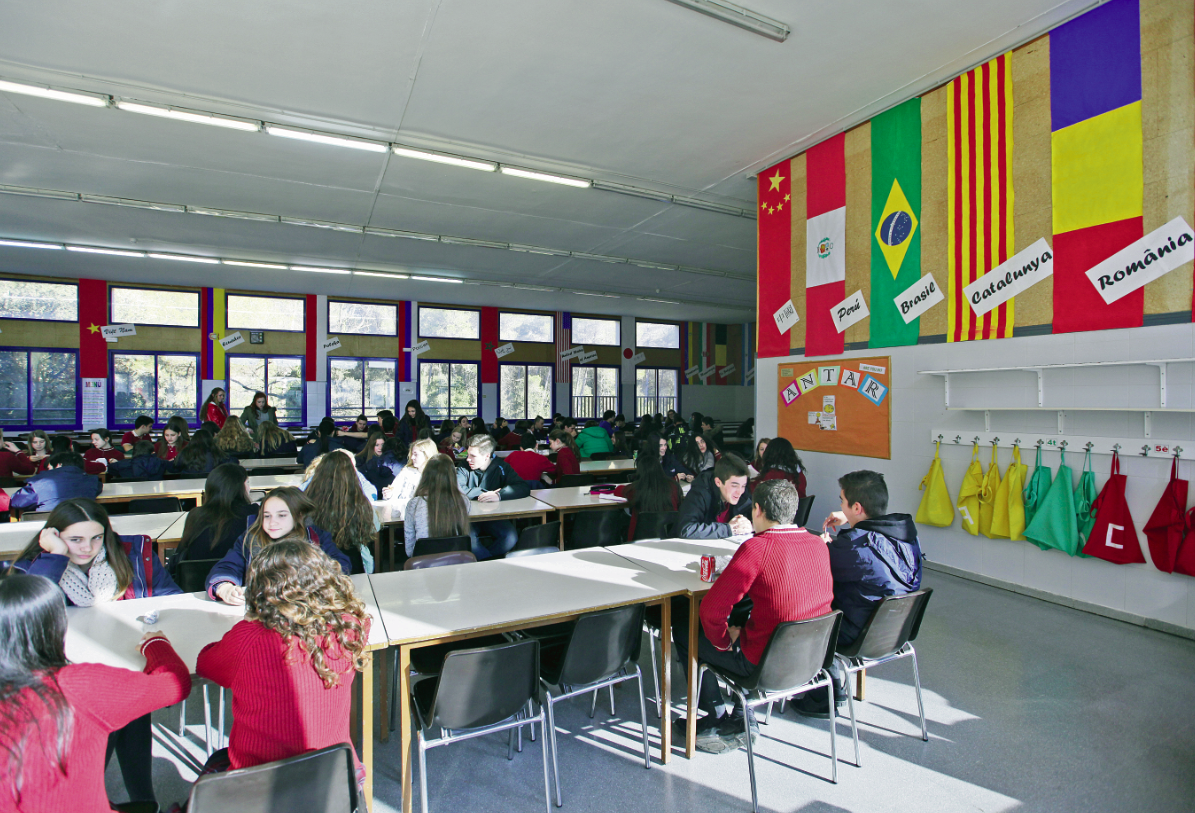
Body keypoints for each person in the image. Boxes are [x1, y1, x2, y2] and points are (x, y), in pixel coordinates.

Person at [8, 499, 184, 806]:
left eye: (96, 537)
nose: (87, 548)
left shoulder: (132, 554)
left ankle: (143, 801)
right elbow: (28, 614)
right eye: (75, 539)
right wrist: (56, 557)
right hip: (69, 674)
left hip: (125, 659)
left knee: (130, 707)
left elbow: (171, 597)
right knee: (110, 715)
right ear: (53, 536)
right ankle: (95, 798)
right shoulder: (35, 567)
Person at [0, 574, 189, 813]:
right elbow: (176, 683)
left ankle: (145, 799)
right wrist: (156, 643)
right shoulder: (80, 686)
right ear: (57, 626)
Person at [673, 479, 833, 752]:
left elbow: (711, 611)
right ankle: (740, 714)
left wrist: (725, 642)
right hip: (812, 660)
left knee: (685, 630)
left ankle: (715, 715)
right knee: (748, 620)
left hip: (764, 664)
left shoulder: (757, 548)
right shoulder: (819, 544)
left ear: (757, 510)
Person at [195, 540, 368, 781]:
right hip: (335, 777)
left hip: (258, 783)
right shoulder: (350, 627)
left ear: (261, 588)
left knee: (214, 767)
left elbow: (205, 665)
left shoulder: (249, 638)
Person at [792, 471, 924, 719]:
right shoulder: (907, 535)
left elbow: (817, 570)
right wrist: (854, 520)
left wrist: (823, 546)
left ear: (857, 507)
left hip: (857, 633)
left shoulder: (853, 546)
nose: (840, 505)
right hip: (895, 632)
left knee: (806, 605)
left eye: (842, 501)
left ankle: (824, 693)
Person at [206, 487, 350, 604]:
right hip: (261, 612)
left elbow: (341, 564)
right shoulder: (249, 539)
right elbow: (226, 568)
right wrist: (224, 587)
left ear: (299, 515)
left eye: (281, 515)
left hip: (304, 610)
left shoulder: (316, 537)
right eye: (267, 516)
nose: (272, 522)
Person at [304, 449, 380, 574]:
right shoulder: (360, 505)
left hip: (317, 564)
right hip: (354, 564)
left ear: (319, 473)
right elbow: (374, 528)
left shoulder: (308, 504)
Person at [456, 434, 530, 560]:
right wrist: (485, 493)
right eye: (468, 454)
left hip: (493, 516)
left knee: (511, 537)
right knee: (470, 541)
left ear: (487, 456)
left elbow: (522, 487)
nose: (468, 459)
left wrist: (499, 495)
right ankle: (489, 564)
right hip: (469, 518)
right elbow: (457, 489)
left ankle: (484, 562)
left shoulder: (502, 467)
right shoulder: (463, 466)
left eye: (473, 456)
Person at [172, 464, 258, 566]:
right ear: (239, 487)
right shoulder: (253, 513)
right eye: (247, 482)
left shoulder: (195, 515)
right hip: (238, 573)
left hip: (196, 575)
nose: (249, 488)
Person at [403, 454, 470, 557]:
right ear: (453, 476)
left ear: (425, 476)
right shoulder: (464, 502)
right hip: (457, 560)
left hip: (423, 562)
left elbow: (410, 550)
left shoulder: (414, 504)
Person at [614, 441, 682, 541]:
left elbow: (617, 490)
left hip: (640, 538)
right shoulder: (674, 486)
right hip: (670, 537)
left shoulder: (636, 488)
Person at [676, 454, 752, 539]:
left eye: (743, 486)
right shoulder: (701, 492)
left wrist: (750, 525)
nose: (740, 492)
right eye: (734, 486)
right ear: (718, 482)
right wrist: (728, 529)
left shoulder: (743, 494)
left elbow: (757, 517)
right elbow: (686, 529)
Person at [11, 453, 102, 513]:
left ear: (58, 465)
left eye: (49, 468)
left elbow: (17, 502)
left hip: (47, 525)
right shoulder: (93, 481)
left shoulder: (40, 482)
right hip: (80, 524)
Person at [383, 438, 436, 518]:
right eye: (412, 454)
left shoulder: (435, 475)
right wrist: (388, 495)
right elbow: (394, 492)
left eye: (416, 454)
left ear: (426, 456)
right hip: (402, 516)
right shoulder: (406, 471)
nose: (412, 457)